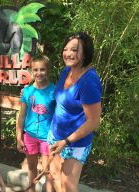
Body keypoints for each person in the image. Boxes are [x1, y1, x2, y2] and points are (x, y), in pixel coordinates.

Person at [48, 32, 102, 192]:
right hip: (56, 135)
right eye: (66, 49)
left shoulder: (89, 81)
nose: (68, 53)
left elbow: (93, 121)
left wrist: (66, 141)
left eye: (74, 49)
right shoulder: (67, 70)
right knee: (55, 178)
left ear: (85, 52)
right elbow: (59, 98)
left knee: (68, 187)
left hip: (74, 142)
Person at [16, 55, 55, 192]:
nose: (39, 73)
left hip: (47, 138)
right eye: (36, 70)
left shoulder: (54, 91)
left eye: (42, 69)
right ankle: (31, 189)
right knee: (31, 167)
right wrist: (19, 136)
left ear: (47, 70)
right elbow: (21, 116)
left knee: (47, 170)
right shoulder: (27, 91)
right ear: (31, 71)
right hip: (30, 136)